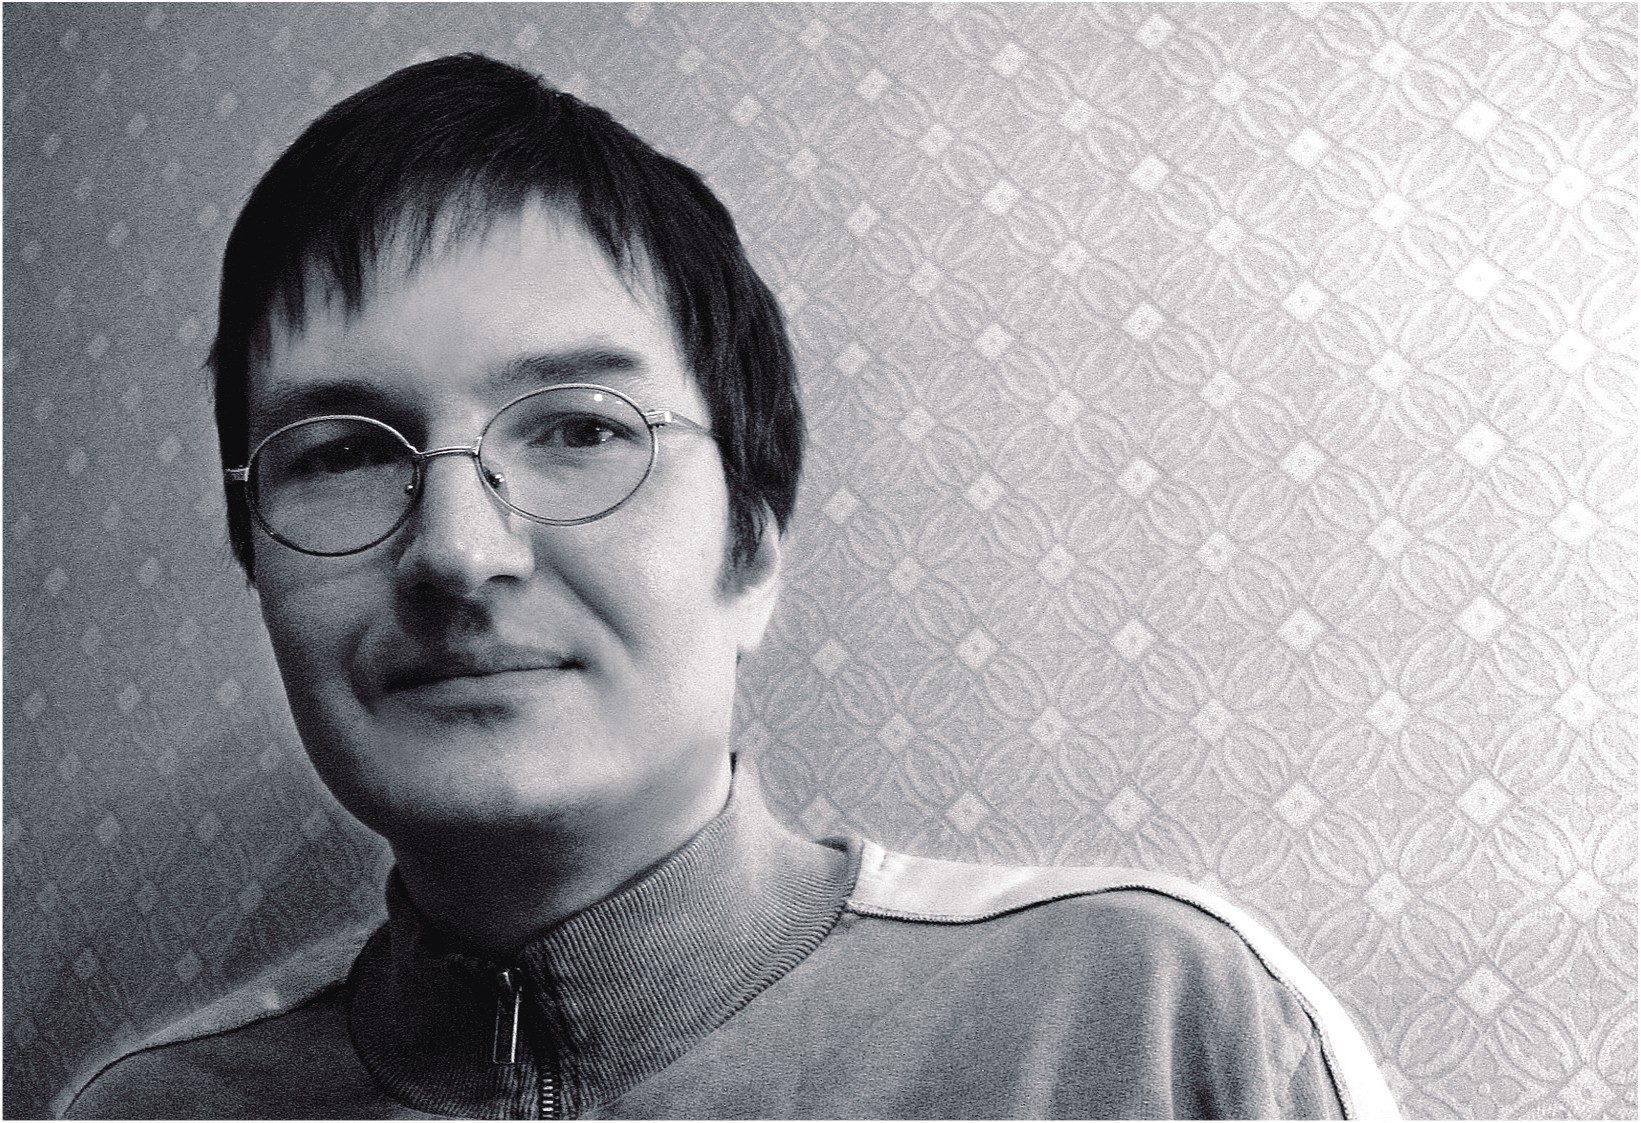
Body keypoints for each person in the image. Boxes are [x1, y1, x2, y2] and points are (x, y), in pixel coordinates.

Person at [60, 54, 1397, 1120]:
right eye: (345, 454)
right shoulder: (151, 1112)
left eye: (578, 429)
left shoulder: (1150, 1024)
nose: (459, 551)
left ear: (751, 545)